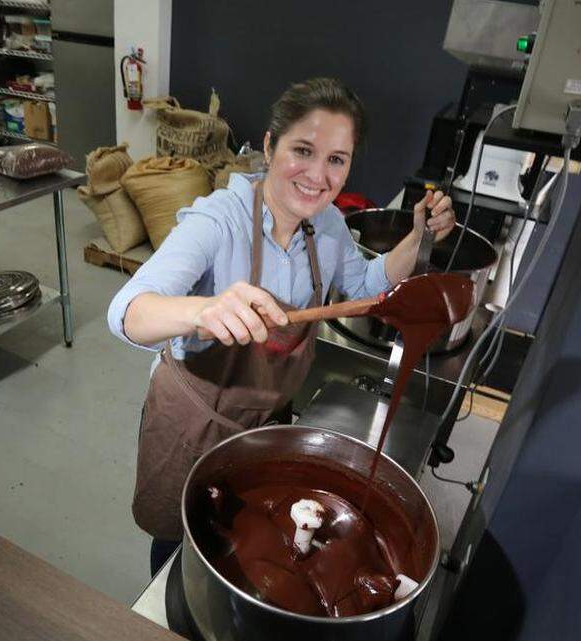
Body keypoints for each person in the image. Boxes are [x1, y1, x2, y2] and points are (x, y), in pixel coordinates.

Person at [106, 78, 456, 574]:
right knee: (179, 537)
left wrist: (419, 237)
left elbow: (366, 286)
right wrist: (201, 311)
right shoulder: (219, 221)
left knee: (239, 539)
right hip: (194, 422)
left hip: (265, 421)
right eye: (303, 151)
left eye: (337, 159)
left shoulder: (327, 225)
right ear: (270, 146)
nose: (318, 175)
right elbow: (127, 312)